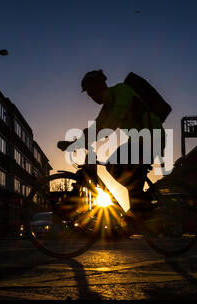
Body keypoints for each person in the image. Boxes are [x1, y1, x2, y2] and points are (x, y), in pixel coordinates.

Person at [58, 70, 165, 215]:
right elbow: (96, 127)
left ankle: (141, 206)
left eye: (91, 92)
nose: (91, 96)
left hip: (152, 138)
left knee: (115, 165)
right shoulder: (107, 106)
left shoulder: (121, 91)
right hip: (140, 141)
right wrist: (75, 143)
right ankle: (139, 206)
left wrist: (93, 136)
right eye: (89, 94)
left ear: (99, 86)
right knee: (118, 169)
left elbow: (115, 118)